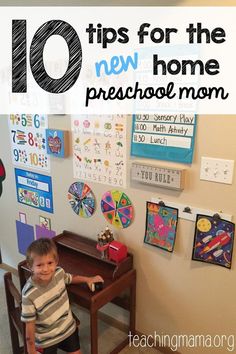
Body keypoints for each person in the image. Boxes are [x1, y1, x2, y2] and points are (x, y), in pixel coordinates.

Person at [21, 237, 104, 354]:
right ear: (30, 266)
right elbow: (29, 326)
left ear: (56, 261)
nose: (45, 269)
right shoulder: (28, 294)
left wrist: (88, 279)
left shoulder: (59, 273)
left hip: (67, 329)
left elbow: (71, 278)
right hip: (46, 339)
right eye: (39, 265)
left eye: (50, 263)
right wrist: (31, 350)